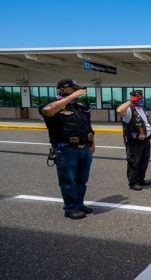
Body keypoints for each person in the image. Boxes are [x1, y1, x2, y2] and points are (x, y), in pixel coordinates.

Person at [40, 78, 95, 219]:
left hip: (84, 149)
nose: (77, 91)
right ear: (62, 89)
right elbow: (48, 110)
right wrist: (71, 97)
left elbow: (87, 126)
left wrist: (92, 142)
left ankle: (79, 204)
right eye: (73, 88)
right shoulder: (54, 105)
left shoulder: (80, 106)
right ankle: (70, 208)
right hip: (66, 150)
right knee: (68, 181)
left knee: (81, 180)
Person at [117, 90, 151, 191]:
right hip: (134, 141)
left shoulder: (141, 109)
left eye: (141, 98)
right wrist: (130, 101)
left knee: (144, 161)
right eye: (138, 98)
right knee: (134, 161)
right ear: (133, 98)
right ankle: (133, 182)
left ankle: (141, 179)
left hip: (145, 140)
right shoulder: (129, 109)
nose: (141, 100)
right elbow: (119, 111)